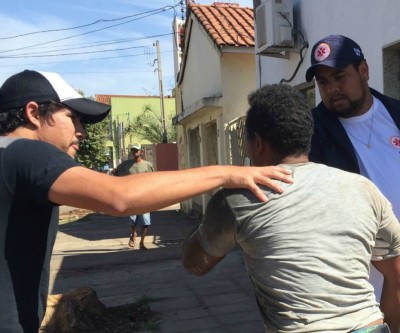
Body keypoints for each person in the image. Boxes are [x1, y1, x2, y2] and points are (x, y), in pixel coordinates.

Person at [0, 70, 293, 333]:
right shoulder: (22, 152)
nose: (82, 131)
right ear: (34, 113)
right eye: (72, 118)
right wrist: (229, 172)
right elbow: (119, 196)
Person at [182, 84, 400, 332]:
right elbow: (397, 273)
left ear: (257, 144)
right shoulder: (364, 189)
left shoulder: (239, 199)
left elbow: (195, 263)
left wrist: (212, 221)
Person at [305, 34, 400, 302]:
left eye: (339, 76)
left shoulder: (395, 114)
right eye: (323, 82)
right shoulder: (310, 132)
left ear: (364, 71)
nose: (332, 88)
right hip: (354, 290)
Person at [126, 144, 154, 249]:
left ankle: (142, 242)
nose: (135, 152)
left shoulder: (147, 165)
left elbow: (153, 179)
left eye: (137, 150)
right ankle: (133, 234)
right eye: (133, 150)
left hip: (145, 197)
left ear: (141, 152)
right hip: (132, 196)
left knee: (145, 220)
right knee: (133, 219)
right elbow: (117, 172)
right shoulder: (127, 164)